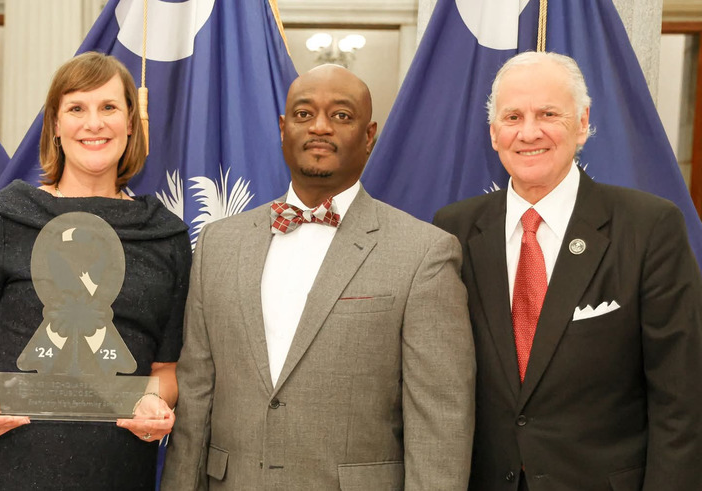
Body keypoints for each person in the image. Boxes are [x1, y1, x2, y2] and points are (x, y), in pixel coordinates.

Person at [162, 64, 475, 490]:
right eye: (304, 114)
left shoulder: (424, 253)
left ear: (369, 136)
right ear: (282, 128)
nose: (320, 127)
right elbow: (196, 394)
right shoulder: (219, 243)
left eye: (342, 116)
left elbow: (440, 419)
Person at [433, 51, 702, 490]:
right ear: (494, 133)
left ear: (582, 123)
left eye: (548, 114)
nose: (529, 132)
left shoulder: (649, 227)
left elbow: (683, 400)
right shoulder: (454, 229)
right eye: (513, 116)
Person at [0, 51, 191, 490]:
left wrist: (155, 402)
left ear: (131, 123)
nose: (93, 123)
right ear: (56, 125)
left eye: (109, 108)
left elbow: (166, 368)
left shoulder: (165, 235)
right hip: (10, 466)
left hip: (117, 470)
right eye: (77, 109)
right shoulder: (4, 218)